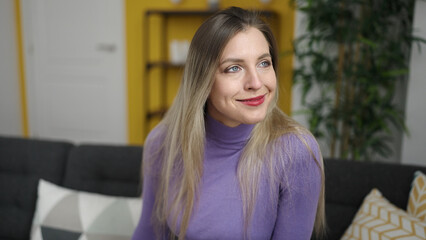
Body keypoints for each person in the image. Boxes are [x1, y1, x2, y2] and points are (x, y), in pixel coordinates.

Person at [132, 6, 326, 240]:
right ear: (202, 80)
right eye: (234, 68)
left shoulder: (296, 152)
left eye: (264, 63)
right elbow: (149, 233)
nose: (256, 83)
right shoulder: (163, 142)